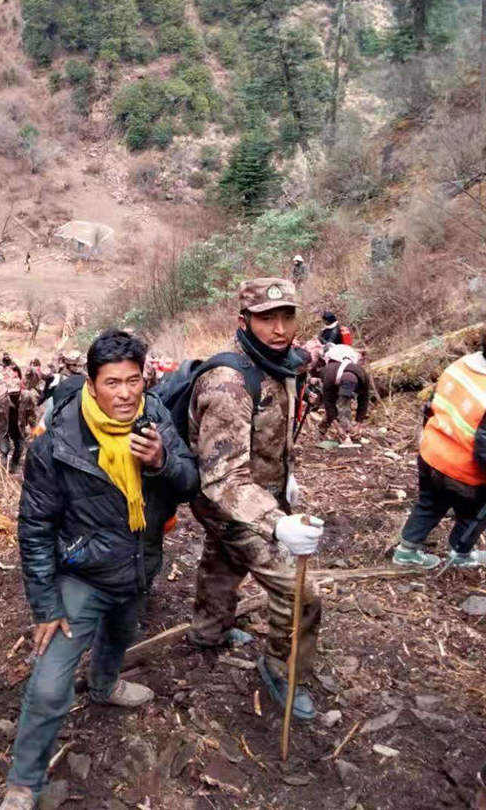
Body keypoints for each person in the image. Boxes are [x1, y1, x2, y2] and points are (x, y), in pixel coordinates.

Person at [0, 329, 199, 810]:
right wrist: (45, 604)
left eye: (134, 380)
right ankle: (24, 784)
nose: (126, 393)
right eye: (113, 382)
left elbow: (190, 482)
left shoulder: (156, 419)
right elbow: (35, 527)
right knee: (49, 684)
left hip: (137, 563)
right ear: (91, 382)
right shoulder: (57, 441)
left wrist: (162, 462)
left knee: (120, 634)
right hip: (81, 575)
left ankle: (106, 687)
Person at [187, 278, 324, 721]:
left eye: (287, 316)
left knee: (224, 562)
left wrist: (285, 479)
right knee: (300, 591)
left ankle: (209, 632)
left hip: (255, 493)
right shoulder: (229, 381)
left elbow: (272, 436)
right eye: (267, 318)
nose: (280, 328)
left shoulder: (279, 365)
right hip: (227, 499)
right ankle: (281, 668)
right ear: (243, 321)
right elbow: (223, 477)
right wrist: (275, 523)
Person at [393, 336, 486, 570]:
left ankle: (406, 551)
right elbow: (484, 448)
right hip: (464, 471)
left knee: (429, 503)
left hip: (432, 454)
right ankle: (460, 553)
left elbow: (431, 405)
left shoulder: (461, 365)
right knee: (472, 513)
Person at [0, 372, 38, 472]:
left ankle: (14, 464)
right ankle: (4, 470)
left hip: (18, 427)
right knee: (4, 449)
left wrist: (35, 429)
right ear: (7, 392)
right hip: (2, 428)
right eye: (11, 394)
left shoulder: (27, 397)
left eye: (16, 393)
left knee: (20, 447)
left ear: (20, 390)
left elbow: (31, 414)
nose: (14, 396)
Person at [320, 345, 370, 442]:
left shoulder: (363, 377)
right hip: (332, 379)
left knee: (344, 405)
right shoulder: (329, 375)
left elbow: (364, 402)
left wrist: (358, 424)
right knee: (337, 405)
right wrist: (337, 426)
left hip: (347, 376)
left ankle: (349, 431)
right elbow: (328, 403)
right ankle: (323, 428)